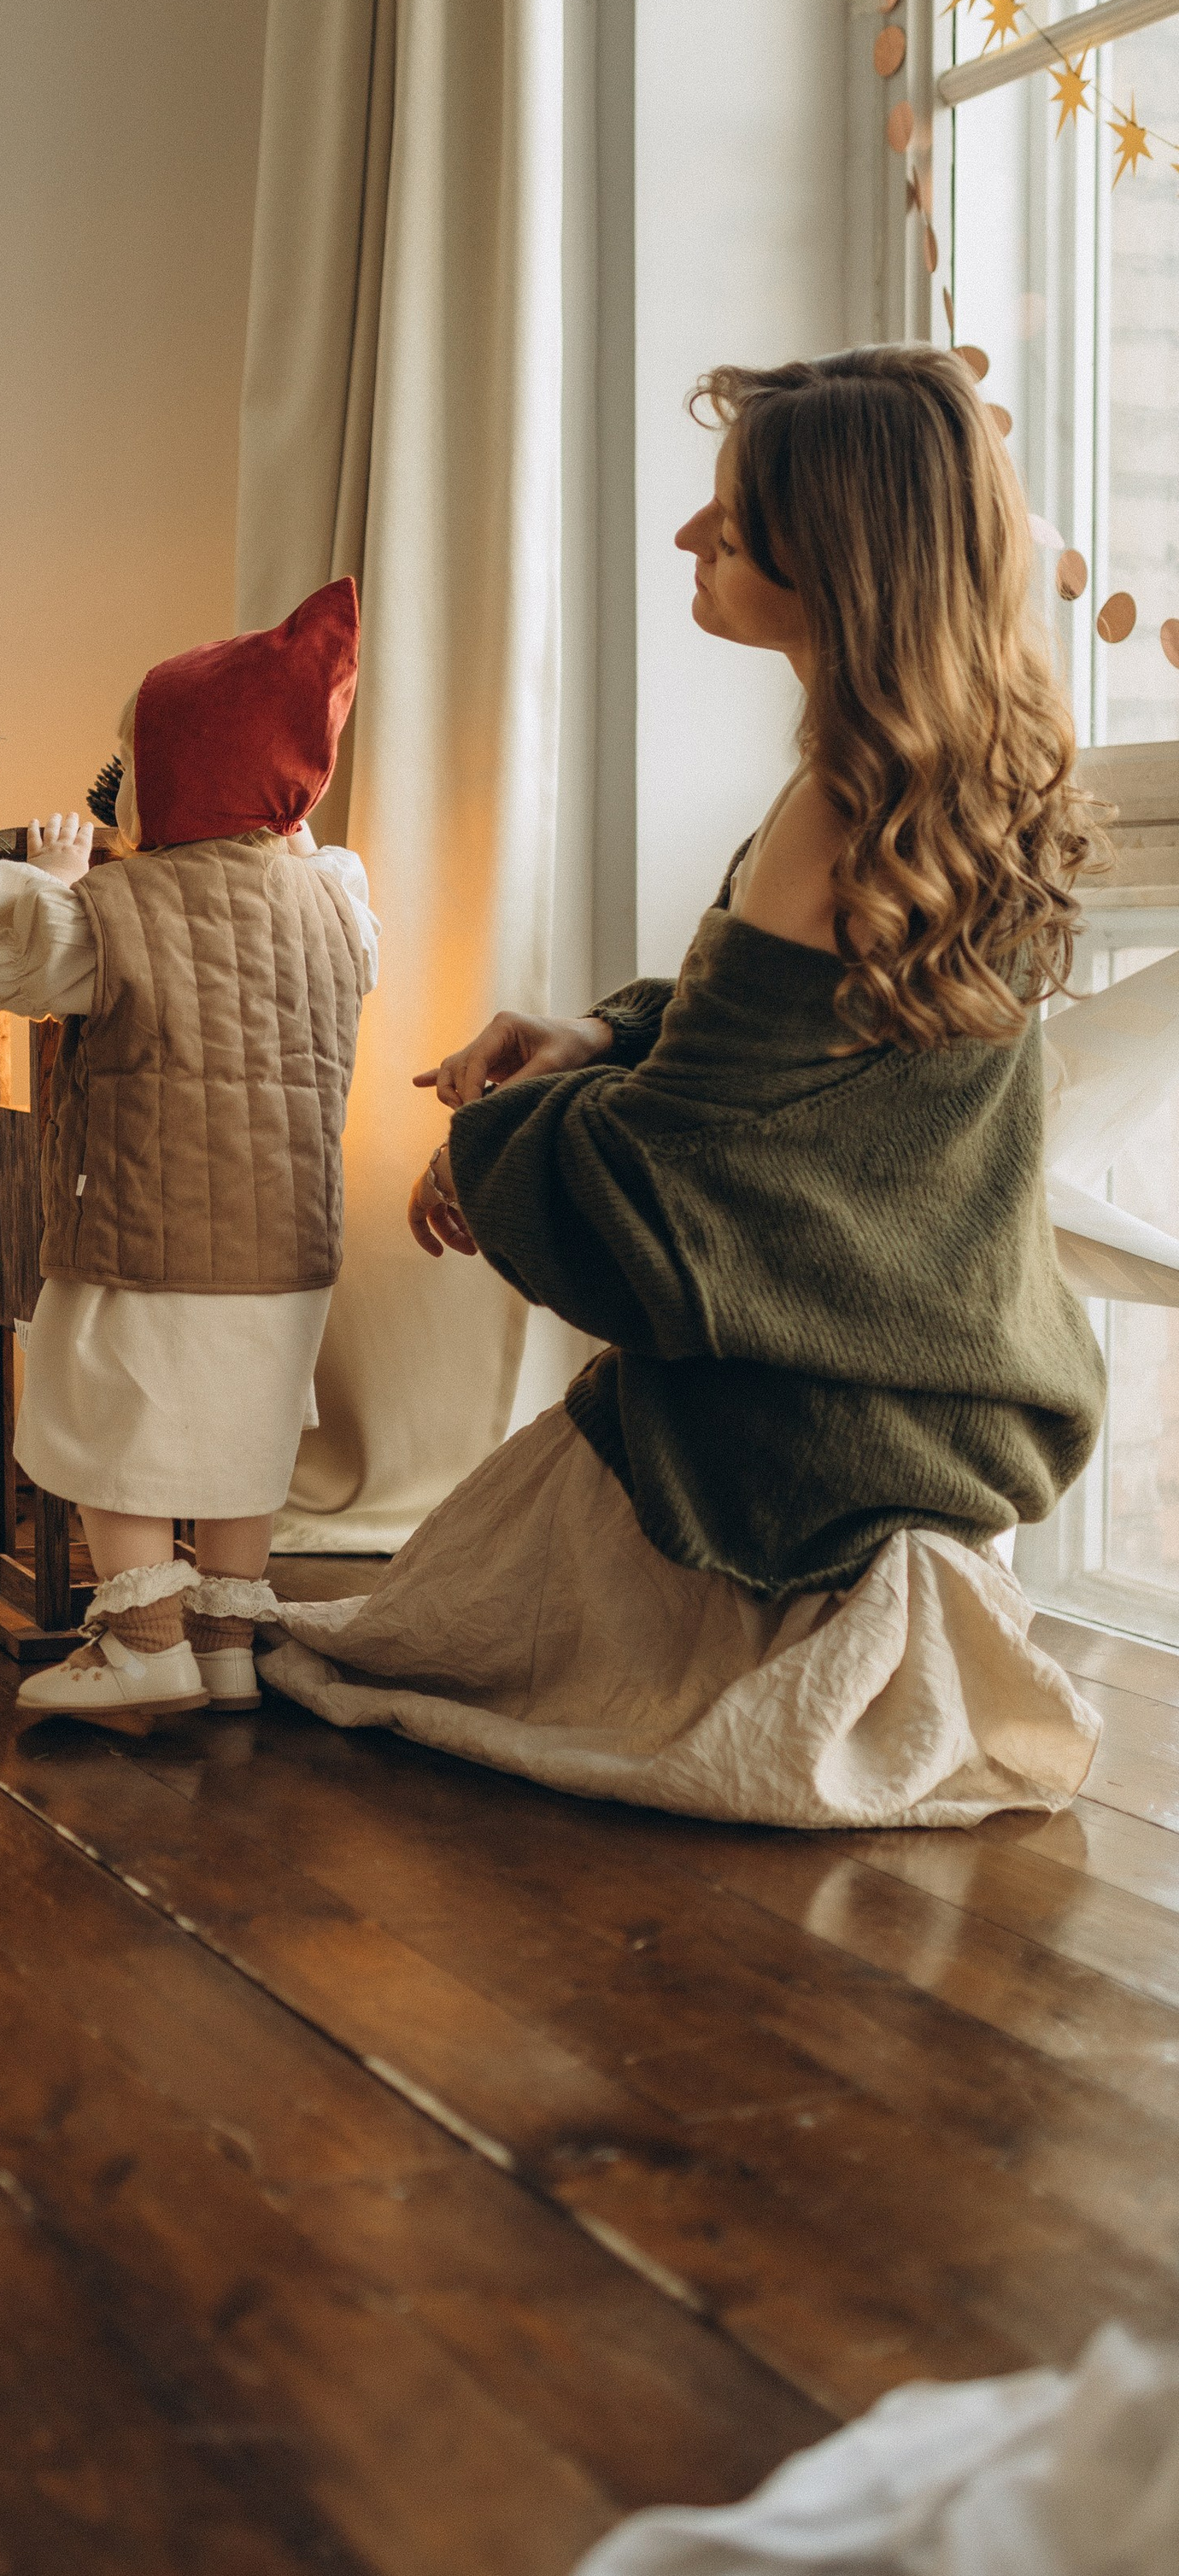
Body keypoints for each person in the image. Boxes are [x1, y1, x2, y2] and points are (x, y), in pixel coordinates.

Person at [265, 347, 1108, 1829]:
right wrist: (598, 1036)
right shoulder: (976, 775)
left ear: (832, 553)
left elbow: (685, 1182)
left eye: (726, 516)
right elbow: (811, 1064)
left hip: (806, 1424)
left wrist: (487, 1148)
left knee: (404, 1646)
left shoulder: (835, 805)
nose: (686, 540)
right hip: (954, 1375)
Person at [0, 579, 378, 1728]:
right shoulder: (335, 899)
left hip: (141, 1230)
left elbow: (22, 973)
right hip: (287, 1237)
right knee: (248, 1424)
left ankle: (143, 1641)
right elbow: (346, 938)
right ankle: (229, 1642)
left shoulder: (119, 908)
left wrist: (53, 880)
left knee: (111, 1415)